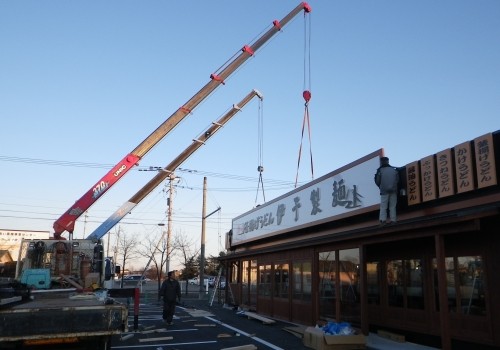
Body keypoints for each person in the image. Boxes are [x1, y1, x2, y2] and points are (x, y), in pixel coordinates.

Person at [374, 156, 399, 226]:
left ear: (381, 162)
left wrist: (380, 186)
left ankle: (383, 221)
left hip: (384, 191)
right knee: (392, 206)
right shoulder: (394, 170)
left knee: (383, 207)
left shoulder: (380, 170)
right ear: (388, 161)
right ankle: (393, 220)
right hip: (393, 190)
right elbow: (397, 180)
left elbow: (377, 181)